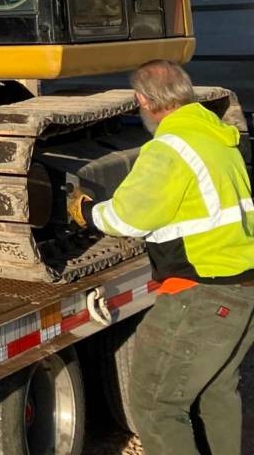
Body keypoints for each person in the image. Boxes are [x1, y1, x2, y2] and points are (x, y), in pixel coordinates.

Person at [68, 60, 254, 454]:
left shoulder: (169, 148)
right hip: (241, 286)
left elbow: (127, 217)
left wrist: (85, 212)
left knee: (155, 405)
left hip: (201, 291)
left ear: (143, 100)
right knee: (216, 392)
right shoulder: (217, 138)